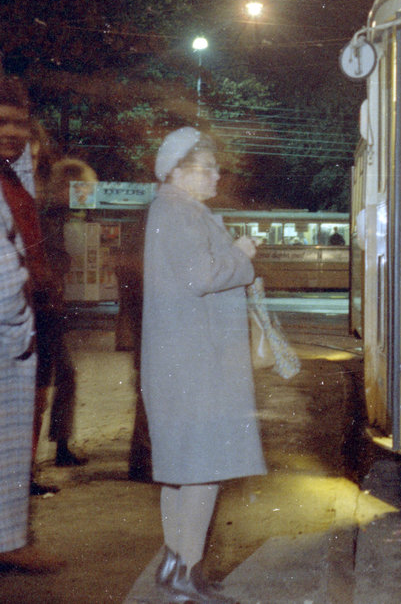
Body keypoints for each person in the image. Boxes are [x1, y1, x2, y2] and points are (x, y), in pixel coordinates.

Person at [142, 127, 262, 604]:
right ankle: (186, 576)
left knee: (182, 467)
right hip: (196, 364)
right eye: (206, 167)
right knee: (203, 465)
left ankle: (175, 565)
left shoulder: (172, 209)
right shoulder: (178, 212)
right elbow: (203, 276)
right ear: (176, 172)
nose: (216, 174)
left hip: (185, 359)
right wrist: (241, 255)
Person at [0, 75, 63, 573]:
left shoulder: (15, 179)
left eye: (19, 123)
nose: (12, 132)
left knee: (17, 437)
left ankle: (10, 537)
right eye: (1, 121)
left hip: (23, 325)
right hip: (9, 325)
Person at [33, 157, 98, 471]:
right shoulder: (46, 215)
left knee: (59, 377)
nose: (86, 197)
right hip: (39, 307)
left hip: (47, 306)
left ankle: (58, 446)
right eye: (83, 189)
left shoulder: (57, 215)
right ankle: (53, 449)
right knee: (50, 379)